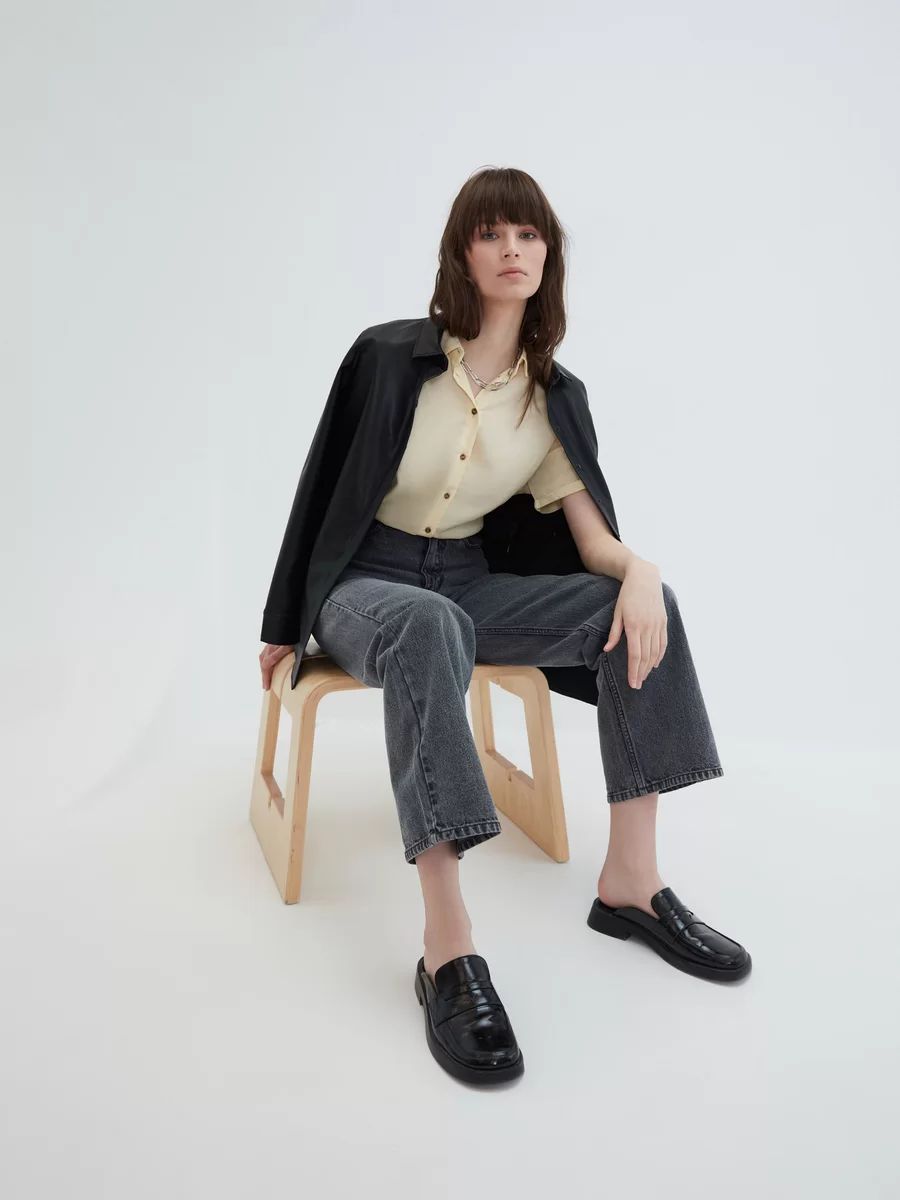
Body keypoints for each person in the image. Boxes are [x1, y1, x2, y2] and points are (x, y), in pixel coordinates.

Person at [258, 166, 751, 1085]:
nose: (512, 249)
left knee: (637, 608)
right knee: (426, 623)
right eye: (492, 233)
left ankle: (631, 883)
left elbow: (593, 540)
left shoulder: (553, 398)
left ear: (548, 255)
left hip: (472, 586)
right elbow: (318, 481)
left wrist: (643, 574)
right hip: (366, 586)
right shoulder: (387, 357)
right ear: (464, 252)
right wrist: (283, 618)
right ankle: (447, 946)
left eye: (528, 234)